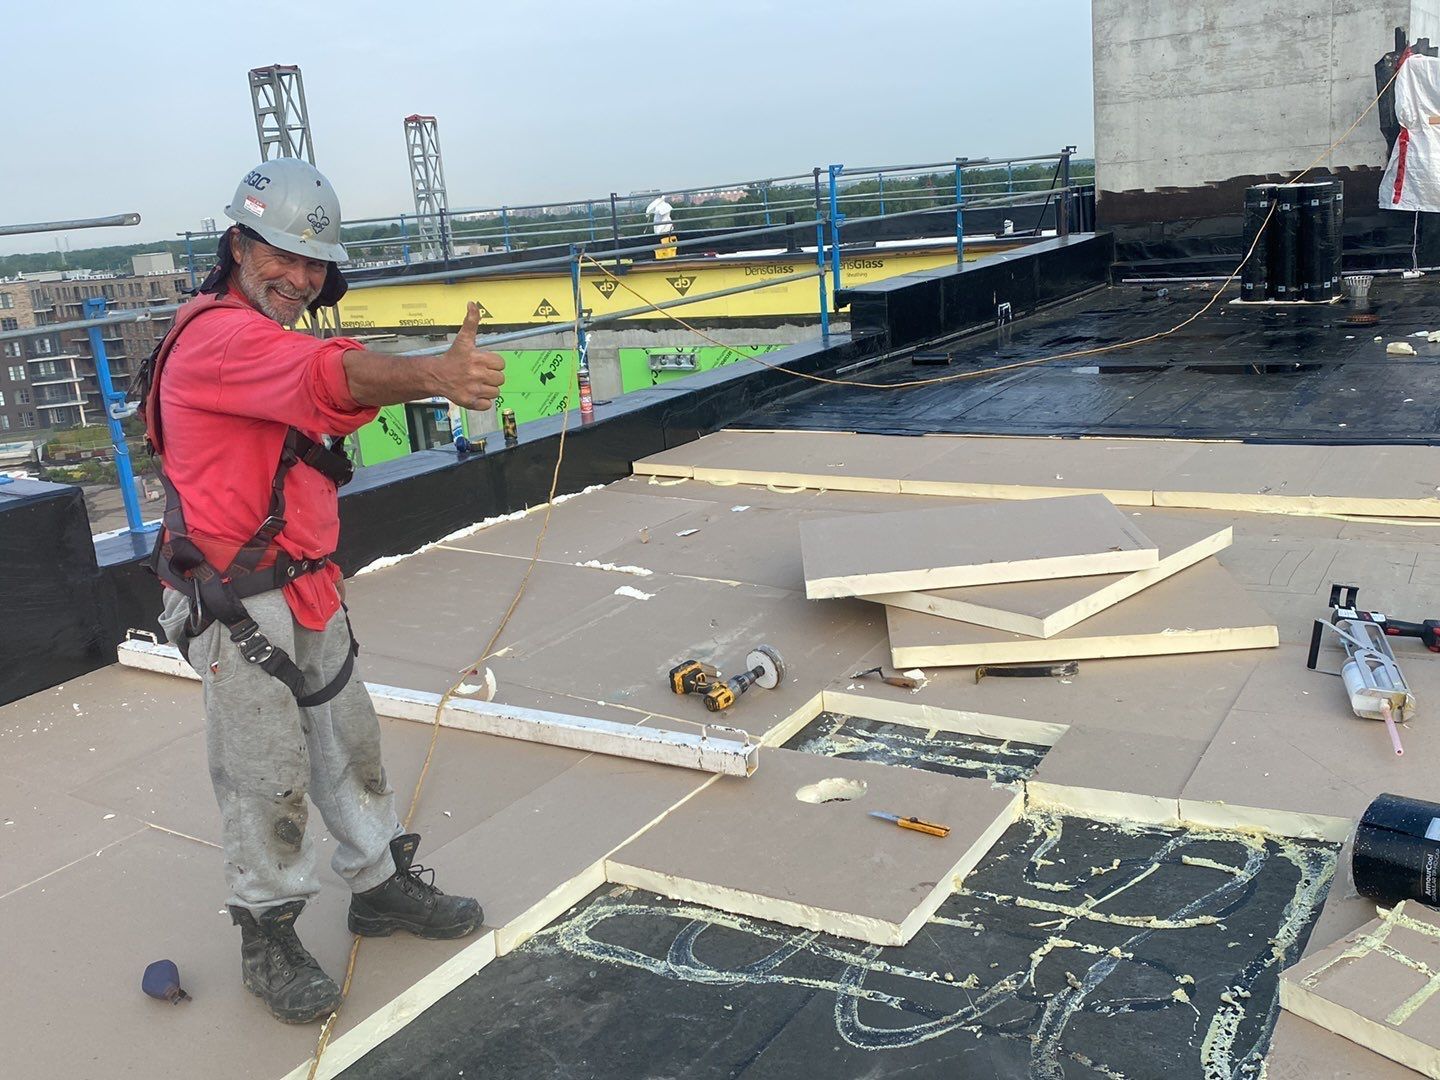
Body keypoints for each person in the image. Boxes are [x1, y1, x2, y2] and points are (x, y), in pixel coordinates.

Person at [142, 158, 505, 1024]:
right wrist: (432, 375)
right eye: (282, 256)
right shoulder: (218, 340)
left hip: (304, 583)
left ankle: (379, 885)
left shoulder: (263, 340)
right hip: (237, 599)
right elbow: (327, 376)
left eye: (314, 266)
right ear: (238, 246)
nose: (299, 279)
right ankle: (266, 933)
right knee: (267, 775)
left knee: (348, 745)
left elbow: (320, 385)